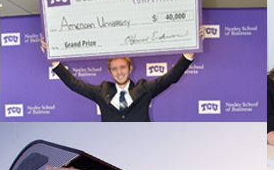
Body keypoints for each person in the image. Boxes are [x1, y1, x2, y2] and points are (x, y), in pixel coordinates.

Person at [42, 37, 196, 122]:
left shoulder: (145, 89)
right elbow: (73, 84)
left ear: (130, 69)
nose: (119, 72)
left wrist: (189, 53)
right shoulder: (101, 91)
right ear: (110, 72)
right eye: (115, 69)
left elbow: (171, 77)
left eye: (123, 67)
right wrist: (54, 61)